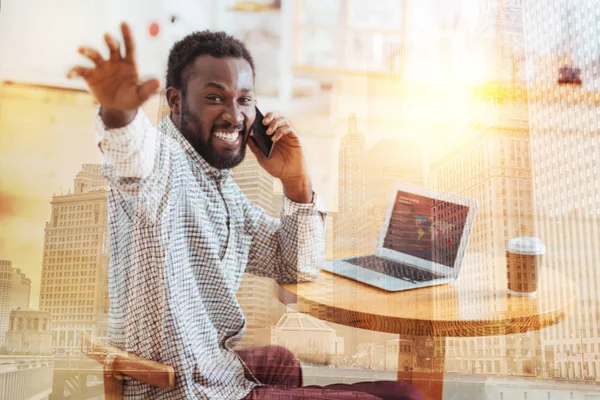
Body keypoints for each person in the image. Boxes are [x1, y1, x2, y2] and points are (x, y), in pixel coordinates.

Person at [67, 22, 423, 400]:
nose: (235, 117)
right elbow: (133, 156)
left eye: (244, 99)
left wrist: (296, 182)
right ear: (175, 101)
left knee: (288, 363)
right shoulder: (162, 164)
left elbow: (296, 264)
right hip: (184, 391)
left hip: (214, 370)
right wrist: (119, 114)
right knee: (409, 398)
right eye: (215, 98)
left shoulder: (223, 191)